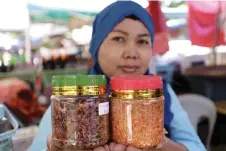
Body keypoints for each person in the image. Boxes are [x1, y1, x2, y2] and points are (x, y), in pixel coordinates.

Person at [28, 1, 206, 151]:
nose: (132, 53)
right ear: (96, 46)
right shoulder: (76, 96)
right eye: (119, 39)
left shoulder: (161, 92)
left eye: (142, 41)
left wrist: (165, 146)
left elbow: (196, 146)